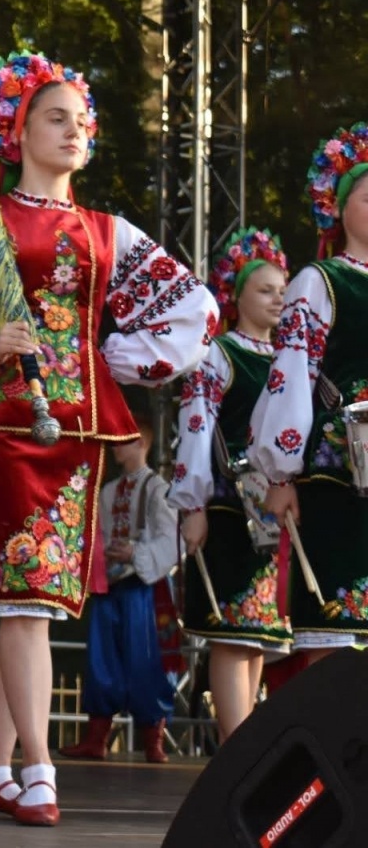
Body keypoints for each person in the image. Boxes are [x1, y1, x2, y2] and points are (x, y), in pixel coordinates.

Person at [0, 44, 214, 826]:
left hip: (75, 430)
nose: (74, 130)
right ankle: (39, 770)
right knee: (23, 604)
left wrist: (112, 360)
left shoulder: (107, 231)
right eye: (55, 117)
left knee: (37, 605)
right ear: (15, 131)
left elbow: (195, 309)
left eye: (81, 120)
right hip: (0, 426)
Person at [250, 123, 368, 668]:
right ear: (339, 209)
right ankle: (336, 749)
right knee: (336, 626)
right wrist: (279, 475)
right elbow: (291, 376)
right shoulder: (320, 282)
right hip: (339, 475)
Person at [168, 227, 291, 741]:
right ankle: (237, 746)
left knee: (258, 635)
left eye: (283, 291)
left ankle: (244, 743)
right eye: (266, 290)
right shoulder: (217, 356)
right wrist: (192, 503)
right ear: (235, 296)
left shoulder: (290, 360)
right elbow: (195, 429)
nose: (278, 300)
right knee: (232, 633)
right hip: (226, 507)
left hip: (271, 512)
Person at [58, 409, 178, 762]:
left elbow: (170, 539)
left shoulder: (158, 488)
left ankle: (152, 739)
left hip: (143, 587)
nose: (113, 445)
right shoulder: (107, 491)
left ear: (140, 442)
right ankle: (96, 736)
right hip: (110, 585)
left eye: (121, 438)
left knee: (146, 659)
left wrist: (136, 553)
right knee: (102, 658)